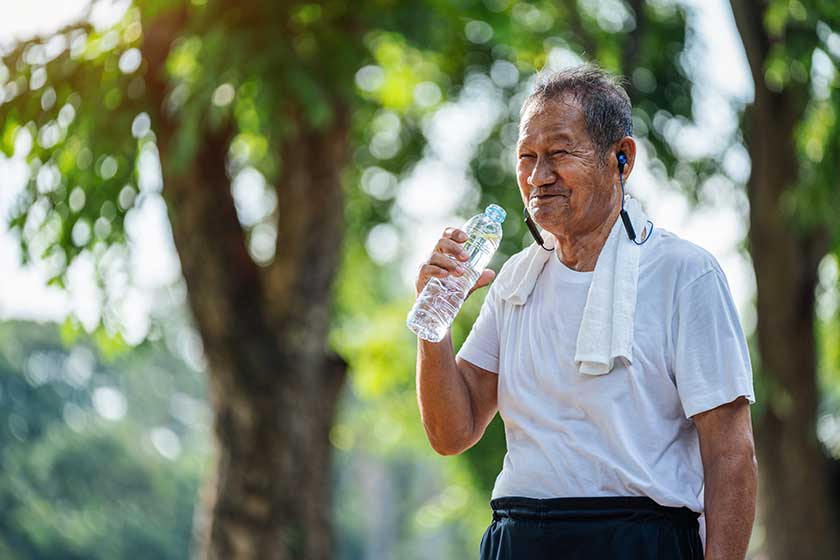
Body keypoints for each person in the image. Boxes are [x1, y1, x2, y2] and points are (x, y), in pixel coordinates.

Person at [413, 65, 757, 560]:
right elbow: (452, 432)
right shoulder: (514, 280)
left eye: (558, 153)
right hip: (519, 538)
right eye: (526, 157)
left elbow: (731, 454)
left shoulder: (684, 273)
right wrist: (434, 323)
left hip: (640, 541)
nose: (537, 177)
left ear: (622, 157)